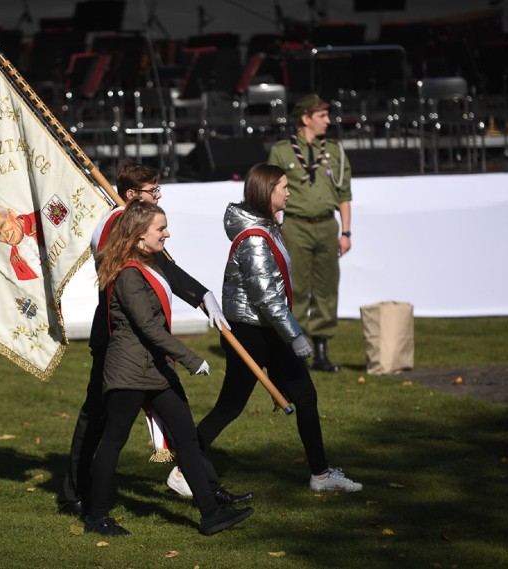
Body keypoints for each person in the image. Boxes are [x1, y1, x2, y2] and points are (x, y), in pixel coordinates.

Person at [58, 162, 252, 516]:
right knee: (102, 422)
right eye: (152, 191)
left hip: (144, 345)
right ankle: (77, 494)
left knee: (179, 423)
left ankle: (208, 492)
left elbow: (165, 267)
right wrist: (193, 347)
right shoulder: (118, 224)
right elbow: (144, 273)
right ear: (131, 196)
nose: (158, 195)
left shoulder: (139, 223)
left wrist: (201, 294)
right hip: (119, 341)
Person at [195, 163, 362, 493]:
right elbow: (267, 297)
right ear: (266, 191)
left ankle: (321, 474)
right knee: (230, 405)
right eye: (283, 187)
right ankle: (186, 463)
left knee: (305, 395)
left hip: (267, 330)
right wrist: (296, 335)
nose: (288, 192)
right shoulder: (255, 239)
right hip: (251, 333)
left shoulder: (267, 227)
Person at [267, 93, 352, 372]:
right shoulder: (282, 150)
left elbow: (344, 193)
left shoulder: (335, 151)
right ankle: (295, 348)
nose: (328, 121)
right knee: (298, 289)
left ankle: (322, 351)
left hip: (327, 225)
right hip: (296, 225)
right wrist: (276, 227)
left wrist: (347, 232)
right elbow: (272, 191)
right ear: (306, 118)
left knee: (327, 289)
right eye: (322, 116)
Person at [0, 205, 44, 280]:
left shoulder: (41, 217)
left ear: (11, 214)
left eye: (2, 225)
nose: (5, 235)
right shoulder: (14, 261)